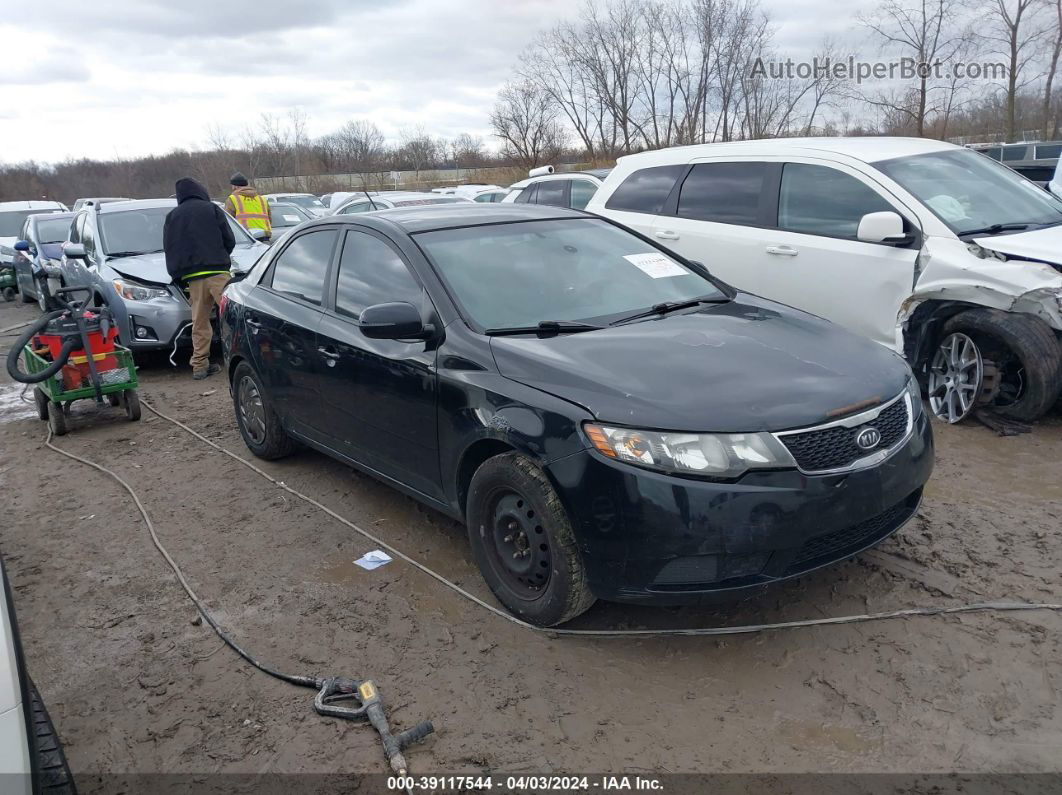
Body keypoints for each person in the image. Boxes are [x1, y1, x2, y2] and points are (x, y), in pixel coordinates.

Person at [163, 177, 235, 380]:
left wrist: (177, 276)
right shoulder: (211, 209)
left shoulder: (172, 216)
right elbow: (229, 239)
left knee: (200, 323)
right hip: (218, 273)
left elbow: (170, 249)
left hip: (193, 278)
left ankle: (199, 366)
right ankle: (239, 361)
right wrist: (221, 258)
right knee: (231, 318)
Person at [224, 172, 271, 240]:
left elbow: (228, 221)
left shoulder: (233, 199)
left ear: (235, 186)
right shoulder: (262, 199)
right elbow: (269, 218)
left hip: (245, 237)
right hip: (265, 235)